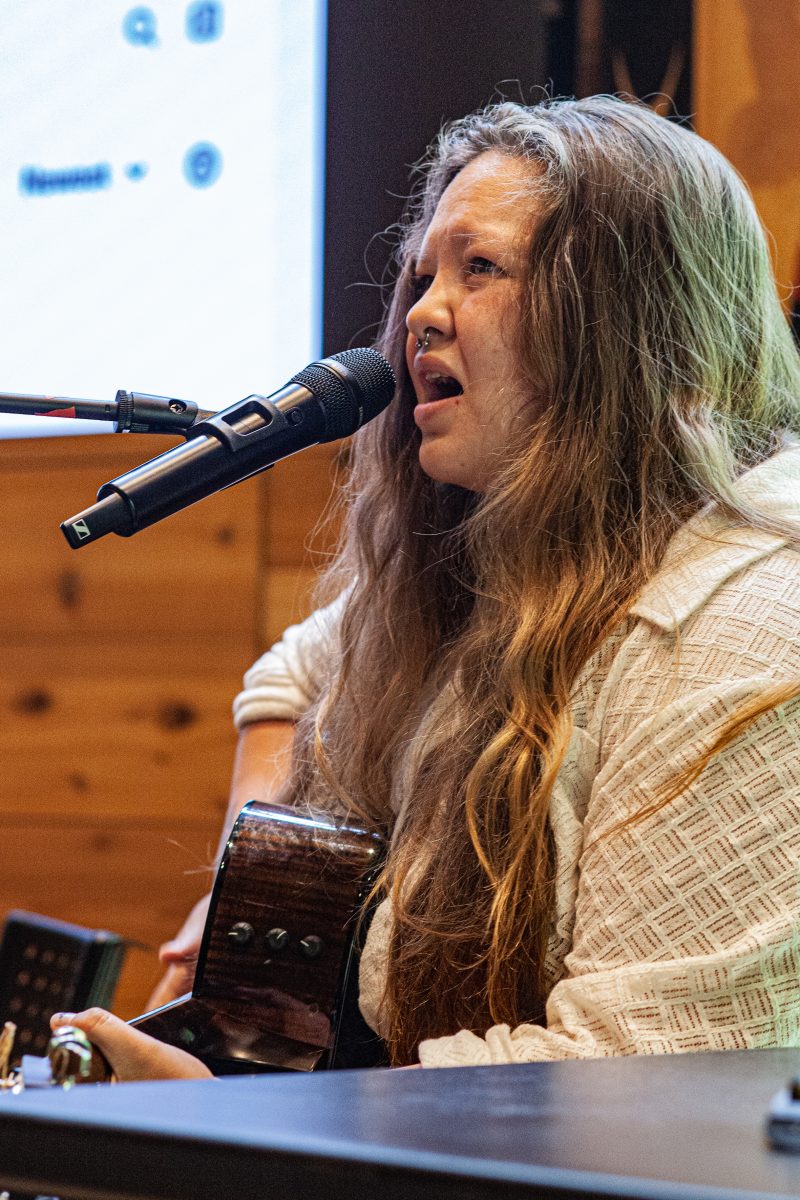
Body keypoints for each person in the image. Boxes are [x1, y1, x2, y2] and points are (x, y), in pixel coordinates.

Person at [54, 95, 800, 1080]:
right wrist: (255, 889)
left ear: (625, 316)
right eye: (422, 273)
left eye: (478, 267)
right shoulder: (496, 565)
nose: (419, 312)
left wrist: (233, 1121)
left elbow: (637, 1080)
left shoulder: (748, 626)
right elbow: (291, 674)